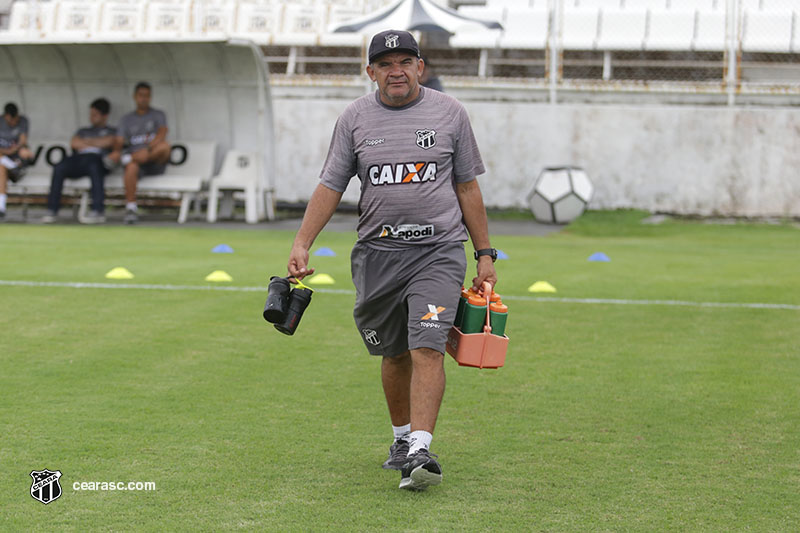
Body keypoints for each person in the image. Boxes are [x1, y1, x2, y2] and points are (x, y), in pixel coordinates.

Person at [286, 30, 498, 492]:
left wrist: (484, 253)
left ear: (420, 67)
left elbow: (467, 186)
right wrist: (303, 242)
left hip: (438, 252)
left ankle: (421, 448)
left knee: (427, 345)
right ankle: (402, 439)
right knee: (394, 352)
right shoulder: (354, 118)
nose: (395, 71)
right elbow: (331, 184)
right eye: (385, 64)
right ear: (371, 72)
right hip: (378, 255)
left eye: (405, 62)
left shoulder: (450, 113)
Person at [42, 98, 121, 224]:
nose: (91, 117)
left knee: (94, 165)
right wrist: (99, 142)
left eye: (95, 115)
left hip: (98, 161)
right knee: (59, 167)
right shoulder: (83, 131)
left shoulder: (112, 131)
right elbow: (74, 143)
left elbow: (111, 141)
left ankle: (97, 210)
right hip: (79, 160)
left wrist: (86, 142)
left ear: (105, 116)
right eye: (91, 114)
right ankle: (52, 209)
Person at [116, 81, 170, 224]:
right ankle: (131, 208)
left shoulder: (158, 115)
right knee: (131, 167)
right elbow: (119, 141)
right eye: (141, 95)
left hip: (154, 159)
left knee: (164, 147)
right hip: (136, 165)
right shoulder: (126, 119)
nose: (144, 99)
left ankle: (132, 158)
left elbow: (162, 133)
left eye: (147, 96)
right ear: (135, 96)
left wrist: (146, 151)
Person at [0, 102, 35, 221]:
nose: (12, 123)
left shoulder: (23, 121)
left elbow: (22, 142)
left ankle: (12, 165)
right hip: (4, 159)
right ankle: (1, 208)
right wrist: (7, 151)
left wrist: (12, 150)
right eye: (9, 121)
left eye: (14, 120)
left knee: (25, 152)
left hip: (16, 158)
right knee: (1, 168)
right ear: (5, 116)